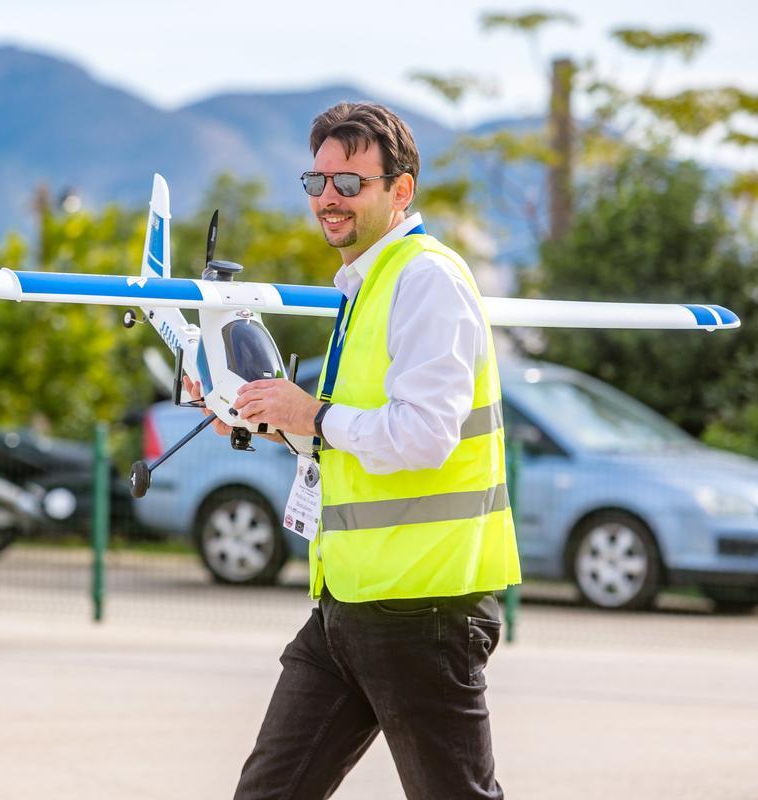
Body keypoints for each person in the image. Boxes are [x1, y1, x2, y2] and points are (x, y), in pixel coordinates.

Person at [187, 102, 521, 799]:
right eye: (317, 182)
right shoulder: (364, 286)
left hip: (425, 610)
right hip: (346, 606)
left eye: (350, 183)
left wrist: (313, 412)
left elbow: (422, 437)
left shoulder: (425, 279)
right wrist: (260, 418)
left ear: (401, 191)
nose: (328, 199)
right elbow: (348, 437)